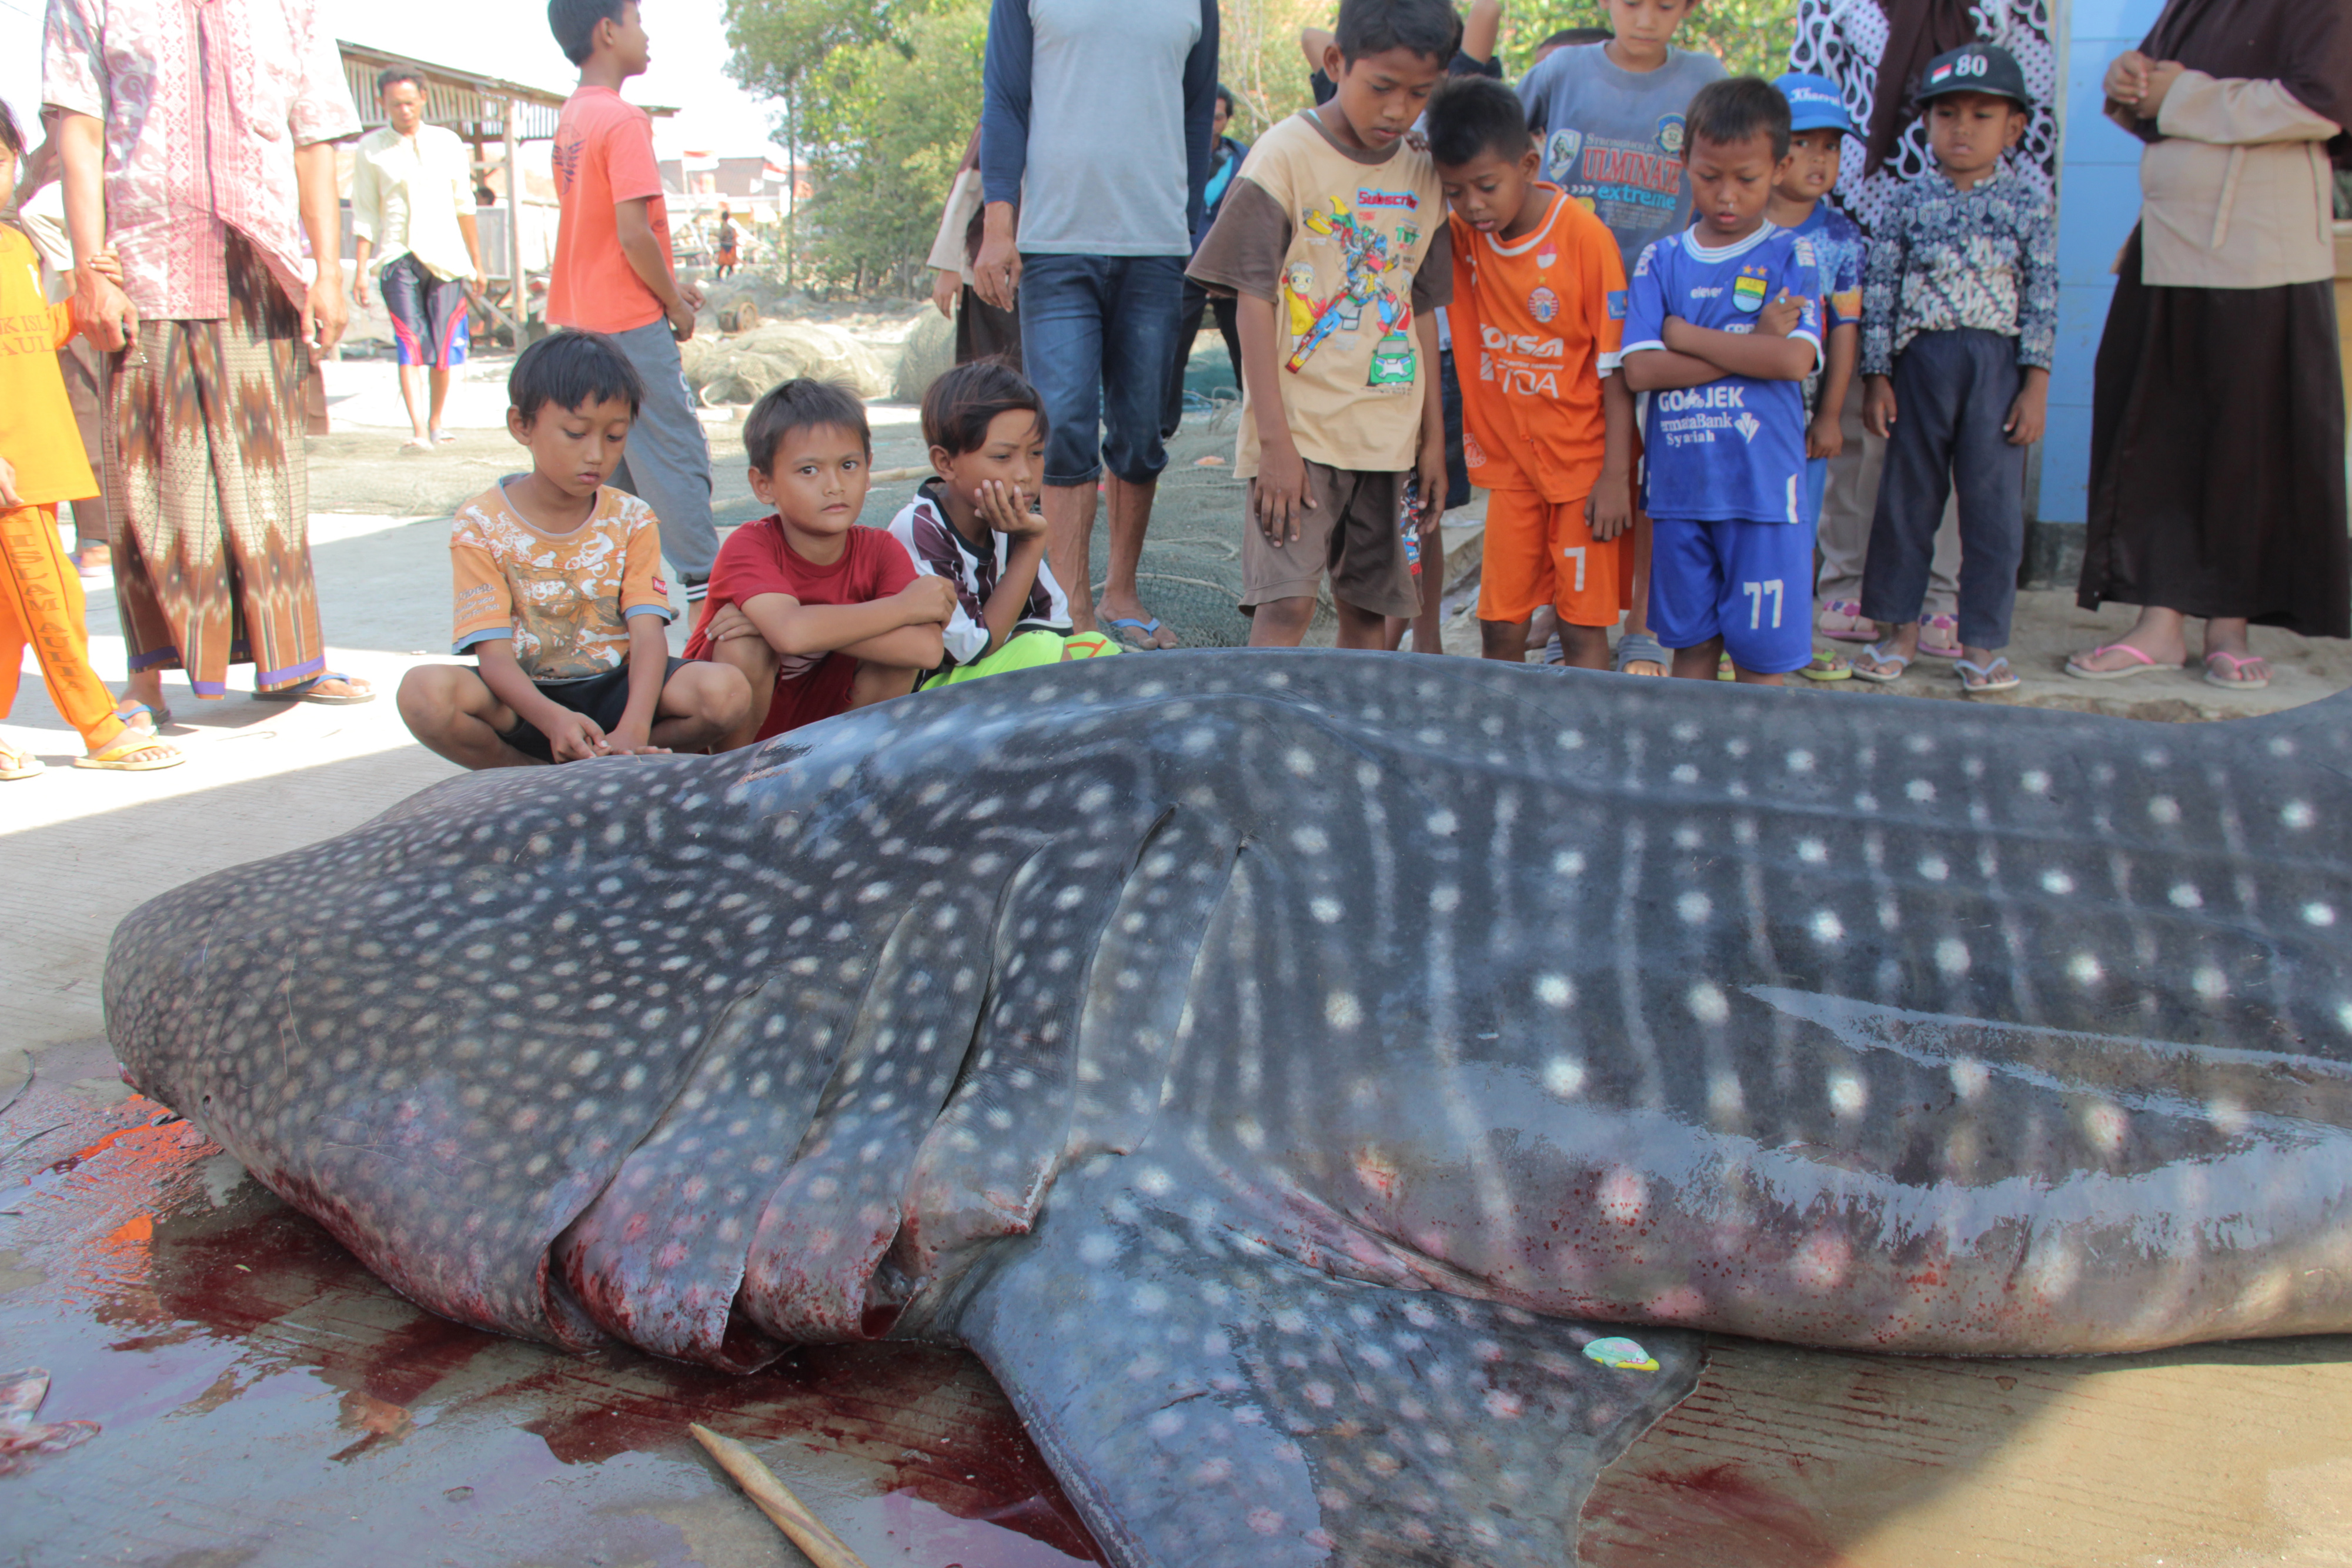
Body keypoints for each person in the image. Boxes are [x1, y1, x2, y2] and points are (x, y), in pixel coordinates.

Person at [45, 0, 379, 718]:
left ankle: (291, 661)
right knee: (149, 478)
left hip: (259, 266)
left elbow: (314, 138)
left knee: (268, 475)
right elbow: (80, 128)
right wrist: (90, 273)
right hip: (141, 263)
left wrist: (325, 270)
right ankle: (146, 680)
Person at [2069, 0, 2350, 687]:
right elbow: (2152, 92)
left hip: (2263, 251)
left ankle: (2229, 622)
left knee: (2245, 440)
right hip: (2168, 242)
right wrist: (2127, 79)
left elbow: (2320, 103)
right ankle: (2158, 625)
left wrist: (2181, 94)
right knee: (2158, 432)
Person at [1188, 0, 1454, 651]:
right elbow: (1251, 299)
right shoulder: (1284, 154)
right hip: (1299, 437)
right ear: (1336, 63)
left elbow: (1421, 308)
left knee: (1368, 614)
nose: (1398, 109)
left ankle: (1342, 745)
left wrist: (1434, 439)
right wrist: (1273, 444)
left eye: (1419, 93)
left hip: (1388, 437)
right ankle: (1257, 745)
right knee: (1285, 607)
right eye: (1382, 88)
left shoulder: (1423, 172)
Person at [975, 0, 1220, 650]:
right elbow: (1004, 98)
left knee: (1141, 431)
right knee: (1065, 427)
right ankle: (1071, 608)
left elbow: (1199, 112)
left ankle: (1122, 592)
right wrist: (999, 223)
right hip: (1055, 240)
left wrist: (1188, 217)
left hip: (1156, 245)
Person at [395, 332, 748, 768]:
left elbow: (647, 633)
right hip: (525, 697)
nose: (597, 455)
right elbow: (496, 657)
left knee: (727, 691)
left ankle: (626, 759)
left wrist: (635, 725)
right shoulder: (481, 522)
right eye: (576, 433)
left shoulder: (632, 517)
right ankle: (529, 778)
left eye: (616, 436)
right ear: (522, 425)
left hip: (617, 688)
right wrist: (553, 719)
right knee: (423, 694)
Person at [1518, 0, 1726, 678]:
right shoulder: (1562, 72)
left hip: (1658, 303)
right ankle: (1567, 615)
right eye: (1633, 2)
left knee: (1649, 475)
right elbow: (1501, 139)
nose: (1646, 18)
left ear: (1689, 9)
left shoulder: (1703, 75)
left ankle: (1642, 626)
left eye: (1666, 5)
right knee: (1569, 468)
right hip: (1564, 302)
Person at [1850, 44, 2053, 695]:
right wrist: (1877, 375)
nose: (1961, 128)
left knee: (1992, 509)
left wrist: (2036, 387)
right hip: (1921, 364)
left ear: (2013, 128)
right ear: (1927, 124)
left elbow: (2043, 297)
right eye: (1947, 114)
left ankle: (1982, 644)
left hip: (1996, 367)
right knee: (1907, 503)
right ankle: (1897, 633)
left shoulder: (2027, 205)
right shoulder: (1906, 204)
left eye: (1981, 115)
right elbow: (1880, 292)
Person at [1425, 75, 1634, 671]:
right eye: (1454, 191)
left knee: (1580, 628)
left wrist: (1615, 474)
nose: (1472, 205)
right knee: (1499, 624)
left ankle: (1584, 753)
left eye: (1486, 187)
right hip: (1513, 470)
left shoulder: (1584, 240)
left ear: (1529, 163)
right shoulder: (1464, 235)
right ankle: (1501, 748)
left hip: (1583, 472)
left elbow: (1616, 367)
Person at [1620, 76, 1822, 686]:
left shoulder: (1793, 255)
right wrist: (1751, 342)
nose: (1727, 196)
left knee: (1762, 669)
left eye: (1747, 178)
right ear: (1684, 164)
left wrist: (1684, 336)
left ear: (1780, 167)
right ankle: (1692, 777)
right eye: (1710, 177)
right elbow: (1640, 370)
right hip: (1679, 495)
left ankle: (1759, 782)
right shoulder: (1660, 260)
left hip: (1762, 496)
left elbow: (1792, 362)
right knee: (1691, 656)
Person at [0, 98, 181, 778]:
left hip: (39, 463)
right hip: (13, 472)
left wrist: (84, 304)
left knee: (12, 621)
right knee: (56, 606)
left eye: (0, 159)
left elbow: (29, 335)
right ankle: (101, 730)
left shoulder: (15, 245)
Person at [545, 0, 720, 605]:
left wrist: (669, 283)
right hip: (629, 320)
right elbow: (632, 232)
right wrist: (673, 304)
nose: (648, 37)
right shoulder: (622, 120)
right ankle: (708, 588)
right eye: (640, 21)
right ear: (608, 31)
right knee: (673, 454)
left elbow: (600, 234)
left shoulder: (572, 118)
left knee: (605, 466)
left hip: (580, 317)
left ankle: (599, 605)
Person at [683, 380, 956, 750]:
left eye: (848, 465)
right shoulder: (750, 545)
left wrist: (807, 627)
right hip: (733, 733)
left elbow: (924, 651)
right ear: (764, 485)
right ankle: (732, 784)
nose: (834, 486)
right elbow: (792, 635)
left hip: (824, 729)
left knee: (897, 660)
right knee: (746, 641)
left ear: (868, 467)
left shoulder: (880, 549)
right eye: (809, 470)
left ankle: (848, 768)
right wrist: (903, 608)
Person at [887, 360, 1124, 686]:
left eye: (1036, 453)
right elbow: (971, 648)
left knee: (1098, 649)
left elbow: (1055, 619)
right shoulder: (919, 529)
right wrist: (1030, 544)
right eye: (1003, 457)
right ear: (946, 463)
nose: (1025, 474)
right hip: (930, 692)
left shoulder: (1009, 521)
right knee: (1040, 653)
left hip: (990, 668)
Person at [1765, 71, 1862, 683]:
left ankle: (1794, 641)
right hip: (1740, 410)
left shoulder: (1840, 237)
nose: (1817, 159)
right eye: (1803, 142)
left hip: (1803, 419)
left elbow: (1845, 330)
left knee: (1799, 530)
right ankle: (1733, 639)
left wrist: (1828, 415)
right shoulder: (1735, 226)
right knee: (1743, 525)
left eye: (1831, 146)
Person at [352, 67, 488, 453]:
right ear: (382, 104)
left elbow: (465, 206)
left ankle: (436, 422)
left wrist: (477, 263)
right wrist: (361, 270)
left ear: (424, 99)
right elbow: (365, 214)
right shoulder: (371, 148)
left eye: (410, 102)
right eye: (396, 104)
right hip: (397, 257)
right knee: (408, 342)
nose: (404, 110)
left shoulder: (447, 143)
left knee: (444, 347)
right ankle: (417, 430)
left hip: (446, 259)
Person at [1161, 84, 1252, 436]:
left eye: (1218, 116)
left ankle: (1257, 420)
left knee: (1247, 346)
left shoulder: (1245, 159)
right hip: (1184, 266)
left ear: (1227, 120)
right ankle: (1163, 427)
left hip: (1233, 270)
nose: (1211, 124)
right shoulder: (1176, 156)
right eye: (1205, 116)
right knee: (1173, 349)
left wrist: (1231, 265)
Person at [927, 127, 1023, 369]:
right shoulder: (1002, 118)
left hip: (1044, 268)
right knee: (991, 371)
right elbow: (967, 189)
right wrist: (949, 267)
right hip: (993, 274)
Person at [714, 205, 740, 278]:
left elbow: (721, 236)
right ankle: (728, 277)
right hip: (729, 246)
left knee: (725, 263)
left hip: (726, 247)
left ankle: (722, 278)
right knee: (728, 264)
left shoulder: (725, 227)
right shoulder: (729, 227)